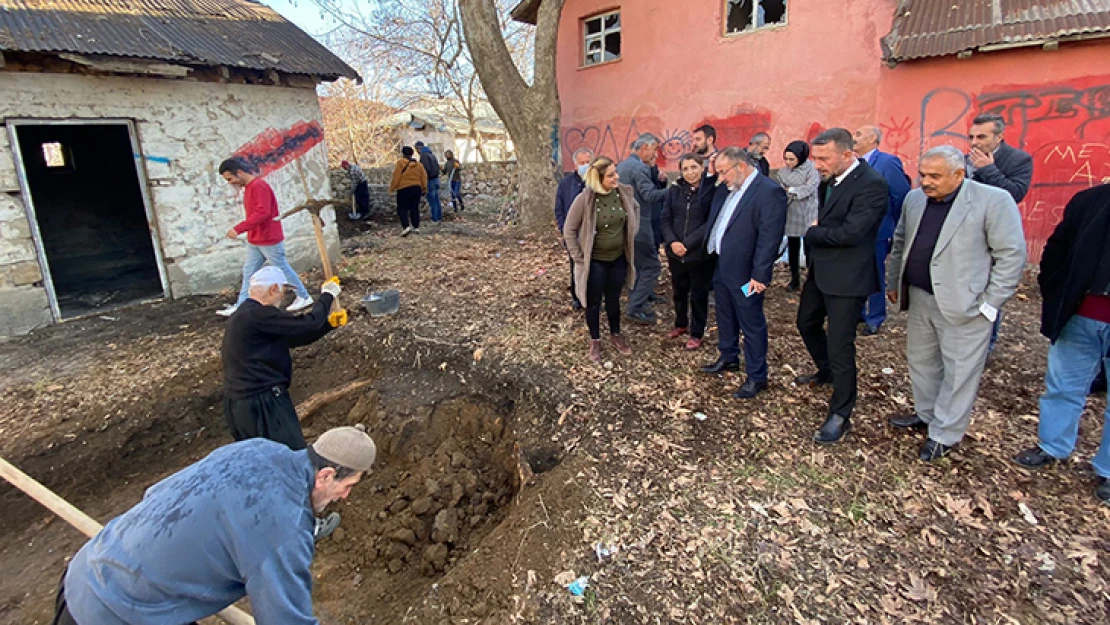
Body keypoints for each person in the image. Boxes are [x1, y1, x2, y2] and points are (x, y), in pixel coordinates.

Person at [53, 427, 377, 625]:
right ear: (325, 475)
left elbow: (155, 493)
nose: (346, 497)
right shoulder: (285, 528)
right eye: (347, 486)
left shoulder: (257, 449)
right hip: (118, 613)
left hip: (89, 567)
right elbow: (285, 618)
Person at [886, 146, 1026, 461]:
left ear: (959, 174)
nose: (926, 181)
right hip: (921, 297)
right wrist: (895, 281)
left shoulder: (993, 200)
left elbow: (1011, 254)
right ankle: (927, 414)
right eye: (923, 174)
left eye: (935, 176)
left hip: (967, 304)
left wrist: (991, 303)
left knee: (959, 371)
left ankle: (945, 432)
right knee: (921, 362)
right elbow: (900, 240)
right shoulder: (915, 199)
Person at [1013, 182, 1110, 503]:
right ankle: (1052, 445)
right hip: (1079, 315)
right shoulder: (1089, 201)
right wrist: (1054, 289)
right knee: (1063, 385)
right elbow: (1057, 248)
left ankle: (1108, 471)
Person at [795, 128, 888, 444]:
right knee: (805, 322)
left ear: (848, 155)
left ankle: (840, 412)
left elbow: (852, 233)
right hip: (821, 271)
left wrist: (814, 233)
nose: (817, 164)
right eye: (815, 158)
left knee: (840, 344)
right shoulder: (829, 181)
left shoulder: (872, 185)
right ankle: (827, 371)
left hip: (848, 278)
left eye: (823, 158)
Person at [700, 147, 788, 399]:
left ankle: (757, 375)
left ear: (741, 166)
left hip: (747, 274)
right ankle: (728, 357)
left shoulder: (768, 192)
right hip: (722, 266)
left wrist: (760, 275)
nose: (721, 178)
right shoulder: (729, 188)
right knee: (725, 314)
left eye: (724, 172)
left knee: (751, 322)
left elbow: (768, 238)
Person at [222, 265, 341, 450]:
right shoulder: (260, 314)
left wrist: (328, 325)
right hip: (263, 403)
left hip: (240, 405)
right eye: (284, 291)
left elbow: (292, 337)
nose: (283, 298)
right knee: (290, 455)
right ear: (273, 289)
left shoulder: (245, 316)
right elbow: (308, 324)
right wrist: (327, 295)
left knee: (261, 459)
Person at [966, 113, 1034, 355]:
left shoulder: (1019, 160)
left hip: (996, 234)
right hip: (966, 233)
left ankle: (986, 345)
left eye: (981, 136)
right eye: (971, 136)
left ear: (999, 137)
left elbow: (1015, 193)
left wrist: (989, 170)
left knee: (990, 289)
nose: (975, 142)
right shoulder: (965, 159)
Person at [563, 156, 640, 363]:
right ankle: (595, 339)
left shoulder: (623, 193)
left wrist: (630, 234)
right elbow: (569, 230)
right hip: (595, 262)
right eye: (611, 175)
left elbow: (635, 210)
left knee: (614, 299)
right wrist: (579, 258)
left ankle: (616, 334)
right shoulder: (585, 199)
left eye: (616, 172)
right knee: (593, 302)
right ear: (598, 178)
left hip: (618, 259)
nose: (617, 177)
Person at [216, 158, 313, 317]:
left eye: (230, 178)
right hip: (255, 239)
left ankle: (303, 296)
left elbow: (263, 213)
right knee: (249, 272)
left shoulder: (259, 186)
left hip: (268, 238)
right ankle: (241, 305)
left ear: (239, 173)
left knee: (282, 267)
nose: (230, 182)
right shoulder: (249, 187)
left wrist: (238, 228)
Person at [853, 125, 911, 335]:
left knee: (875, 273)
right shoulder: (852, 162)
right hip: (854, 229)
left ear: (872, 139)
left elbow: (900, 194)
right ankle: (857, 312)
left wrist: (892, 224)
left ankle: (875, 317)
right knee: (855, 272)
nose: (854, 137)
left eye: (858, 134)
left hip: (878, 229)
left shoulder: (887, 162)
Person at [660, 153, 714, 350]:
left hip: (699, 253)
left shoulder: (711, 189)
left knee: (698, 294)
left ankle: (697, 332)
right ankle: (680, 323)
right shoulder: (675, 190)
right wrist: (672, 241)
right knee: (679, 290)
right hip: (676, 252)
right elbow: (665, 217)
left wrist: (688, 244)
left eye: (694, 167)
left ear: (702, 167)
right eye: (685, 169)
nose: (690, 173)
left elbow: (710, 221)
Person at [617, 133, 669, 324]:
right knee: (652, 266)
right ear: (645, 148)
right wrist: (673, 190)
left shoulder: (622, 166)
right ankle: (636, 306)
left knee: (637, 265)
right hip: (639, 224)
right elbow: (649, 195)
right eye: (655, 149)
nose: (656, 153)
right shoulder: (639, 168)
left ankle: (642, 295)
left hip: (625, 223)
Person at [776, 140, 820, 291]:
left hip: (808, 213)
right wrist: (792, 190)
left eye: (792, 159)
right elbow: (781, 190)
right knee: (793, 247)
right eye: (786, 159)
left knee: (810, 248)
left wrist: (791, 190)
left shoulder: (813, 169)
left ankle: (812, 280)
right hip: (792, 213)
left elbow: (809, 188)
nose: (788, 162)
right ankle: (794, 280)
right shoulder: (783, 172)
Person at [555, 148, 594, 311]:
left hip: (593, 233)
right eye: (582, 163)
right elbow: (559, 209)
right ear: (575, 164)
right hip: (574, 234)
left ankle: (595, 296)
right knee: (576, 266)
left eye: (588, 162)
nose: (585, 165)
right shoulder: (566, 184)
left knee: (595, 267)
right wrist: (565, 230)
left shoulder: (596, 182)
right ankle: (577, 297)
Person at [389, 146, 428, 236]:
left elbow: (396, 176)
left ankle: (406, 226)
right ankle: (416, 227)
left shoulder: (400, 163)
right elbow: (424, 177)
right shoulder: (419, 165)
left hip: (404, 188)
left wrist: (392, 188)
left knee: (402, 208)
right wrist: (424, 188)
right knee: (414, 208)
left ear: (403, 154)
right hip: (416, 188)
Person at [415, 141, 443, 222]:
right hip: (436, 179)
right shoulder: (432, 155)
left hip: (430, 181)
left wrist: (423, 182)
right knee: (436, 200)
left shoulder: (424, 156)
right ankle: (439, 217)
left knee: (432, 201)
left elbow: (425, 170)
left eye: (416, 149)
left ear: (419, 148)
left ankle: (435, 219)